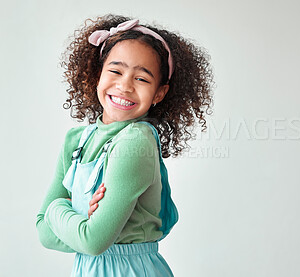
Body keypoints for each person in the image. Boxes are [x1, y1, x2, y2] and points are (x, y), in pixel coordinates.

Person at [35, 14, 214, 277]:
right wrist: (80, 218)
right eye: (116, 71)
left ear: (159, 93)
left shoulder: (135, 140)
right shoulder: (76, 140)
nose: (125, 85)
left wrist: (56, 208)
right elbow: (44, 235)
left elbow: (92, 240)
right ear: (98, 74)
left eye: (142, 79)